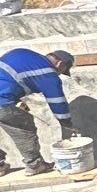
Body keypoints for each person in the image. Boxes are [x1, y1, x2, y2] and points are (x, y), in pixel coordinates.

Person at [0, 48, 76, 177]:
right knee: (24, 127)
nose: (58, 74)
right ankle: (35, 165)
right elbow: (58, 102)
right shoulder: (48, 72)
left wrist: (15, 100)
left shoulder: (21, 53)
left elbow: (7, 77)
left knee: (12, 116)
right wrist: (67, 126)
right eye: (62, 72)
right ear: (60, 64)